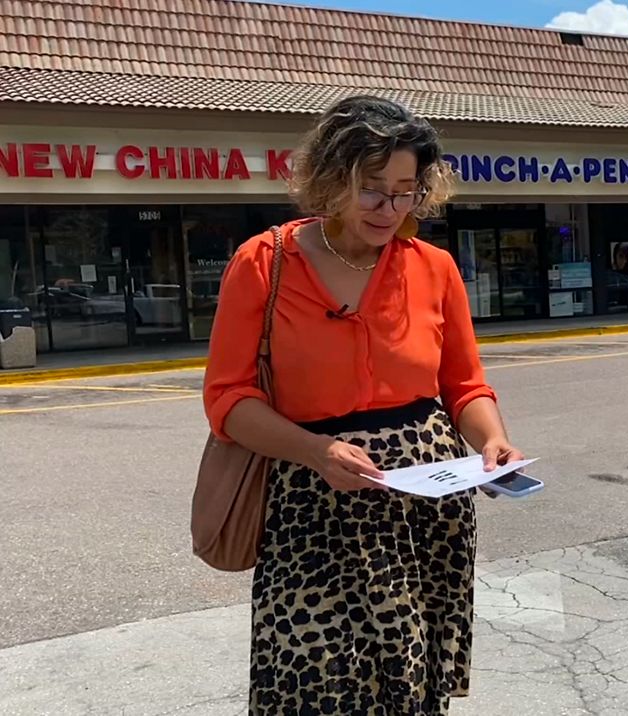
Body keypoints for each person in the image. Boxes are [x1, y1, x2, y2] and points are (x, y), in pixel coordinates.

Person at [202, 95, 524, 715]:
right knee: (313, 677)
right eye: (373, 190)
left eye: (407, 191)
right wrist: (316, 450)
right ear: (331, 178)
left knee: (409, 679)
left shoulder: (434, 268)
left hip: (424, 508)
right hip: (312, 501)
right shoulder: (264, 263)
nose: (391, 209)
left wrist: (491, 440)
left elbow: (464, 386)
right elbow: (228, 400)